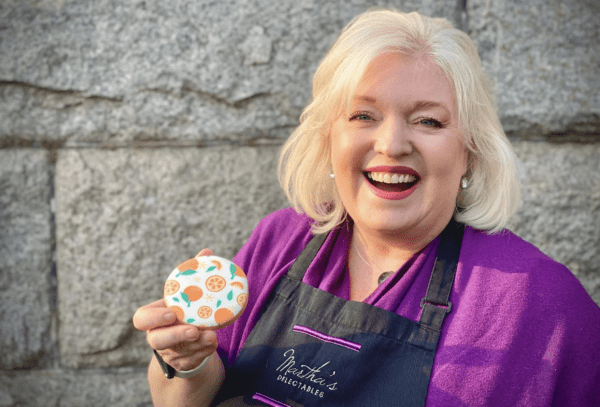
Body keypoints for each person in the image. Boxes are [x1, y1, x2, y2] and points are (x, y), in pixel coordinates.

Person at [133, 8, 600, 407]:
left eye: (428, 121)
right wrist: (187, 363)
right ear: (329, 138)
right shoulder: (278, 242)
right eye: (363, 115)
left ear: (469, 152)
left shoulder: (541, 304)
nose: (392, 144)